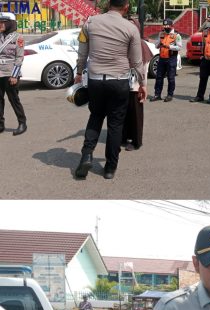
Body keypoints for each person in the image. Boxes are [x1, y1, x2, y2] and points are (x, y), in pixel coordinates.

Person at [74, 0, 146, 180]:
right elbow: (136, 62)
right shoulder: (131, 29)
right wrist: (142, 84)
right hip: (119, 81)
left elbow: (82, 52)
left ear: (108, 4)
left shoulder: (90, 22)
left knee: (95, 117)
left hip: (96, 80)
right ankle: (109, 168)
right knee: (115, 124)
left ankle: (86, 155)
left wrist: (78, 72)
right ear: (126, 7)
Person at [121, 14, 150, 152]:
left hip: (136, 86)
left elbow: (143, 67)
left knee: (136, 116)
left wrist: (142, 85)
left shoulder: (141, 44)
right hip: (122, 84)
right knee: (124, 114)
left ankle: (136, 141)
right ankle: (124, 137)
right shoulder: (125, 43)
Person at [0, 12, 26, 136]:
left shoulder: (18, 37)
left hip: (11, 73)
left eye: (3, 22)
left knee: (14, 100)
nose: (0, 25)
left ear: (10, 23)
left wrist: (14, 75)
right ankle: (0, 124)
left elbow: (19, 58)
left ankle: (22, 123)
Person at [151, 18, 181, 103]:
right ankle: (157, 94)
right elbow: (156, 45)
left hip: (171, 58)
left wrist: (169, 47)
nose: (165, 27)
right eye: (164, 26)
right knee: (159, 77)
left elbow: (179, 47)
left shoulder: (176, 35)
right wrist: (158, 44)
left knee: (171, 78)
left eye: (167, 26)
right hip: (162, 58)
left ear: (171, 26)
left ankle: (169, 95)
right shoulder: (161, 34)